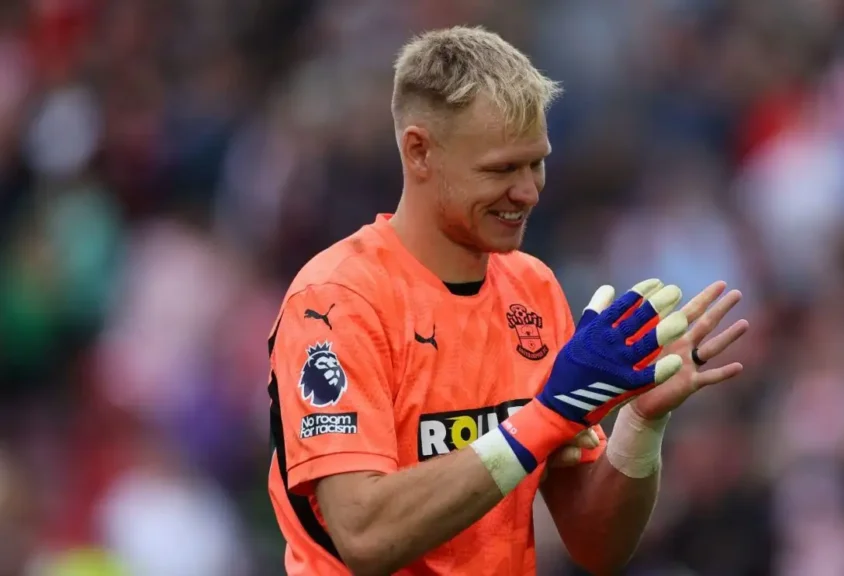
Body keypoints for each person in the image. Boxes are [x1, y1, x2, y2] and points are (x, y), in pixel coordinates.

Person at [266, 25, 749, 576]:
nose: (528, 191)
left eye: (536, 162)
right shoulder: (336, 300)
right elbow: (366, 535)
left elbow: (597, 547)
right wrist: (544, 417)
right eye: (500, 169)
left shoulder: (534, 289)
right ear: (419, 151)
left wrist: (641, 423)